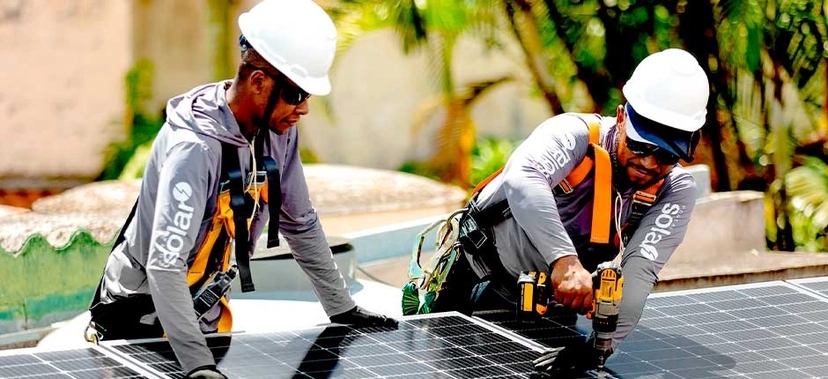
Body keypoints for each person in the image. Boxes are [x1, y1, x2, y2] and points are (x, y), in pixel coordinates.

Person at [85, 1, 397, 378]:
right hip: (138, 318)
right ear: (259, 82)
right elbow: (164, 266)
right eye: (296, 94)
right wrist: (198, 365)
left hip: (203, 310)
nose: (304, 109)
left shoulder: (278, 135)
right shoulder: (194, 149)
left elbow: (299, 222)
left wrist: (341, 308)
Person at [428, 48, 709, 373]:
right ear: (621, 117)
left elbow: (639, 275)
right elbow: (524, 178)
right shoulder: (573, 135)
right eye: (640, 145)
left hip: (549, 309)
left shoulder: (674, 190)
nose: (649, 162)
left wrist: (597, 350)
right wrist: (565, 263)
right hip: (475, 287)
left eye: (665, 155)